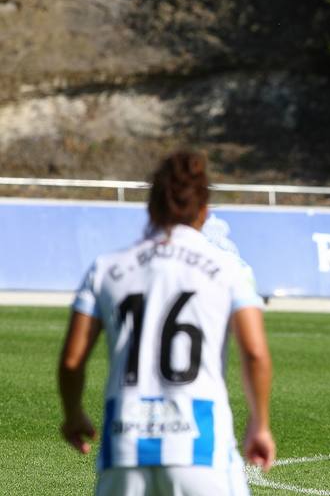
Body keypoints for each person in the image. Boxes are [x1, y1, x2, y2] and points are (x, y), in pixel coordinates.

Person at [58, 151, 275, 495]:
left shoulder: (107, 268)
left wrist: (73, 414)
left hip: (125, 448)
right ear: (203, 210)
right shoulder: (228, 269)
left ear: (151, 207)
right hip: (201, 448)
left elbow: (72, 360)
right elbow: (255, 353)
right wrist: (259, 424)